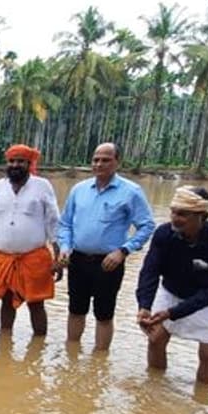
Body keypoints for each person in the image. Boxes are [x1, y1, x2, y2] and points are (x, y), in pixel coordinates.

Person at [57, 143, 156, 352]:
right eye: (96, 159)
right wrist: (65, 246)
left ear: (117, 162)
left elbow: (147, 226)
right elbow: (65, 223)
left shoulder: (131, 192)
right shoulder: (79, 190)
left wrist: (124, 250)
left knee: (104, 314)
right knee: (75, 310)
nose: (99, 164)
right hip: (77, 259)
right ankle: (71, 355)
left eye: (106, 160)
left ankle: (99, 360)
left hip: (109, 262)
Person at [136, 186, 208, 386]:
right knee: (155, 339)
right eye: (173, 212)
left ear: (202, 217)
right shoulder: (164, 234)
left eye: (182, 214)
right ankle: (154, 387)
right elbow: (150, 271)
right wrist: (144, 305)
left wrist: (172, 313)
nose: (175, 218)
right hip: (172, 289)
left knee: (207, 353)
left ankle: (204, 397)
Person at [0, 144, 60, 335]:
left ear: (29, 163)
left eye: (20, 161)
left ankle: (39, 344)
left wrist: (58, 257)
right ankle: (4, 343)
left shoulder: (42, 186)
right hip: (2, 257)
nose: (15, 165)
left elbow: (53, 223)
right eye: (11, 161)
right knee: (6, 301)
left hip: (34, 258)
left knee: (36, 303)